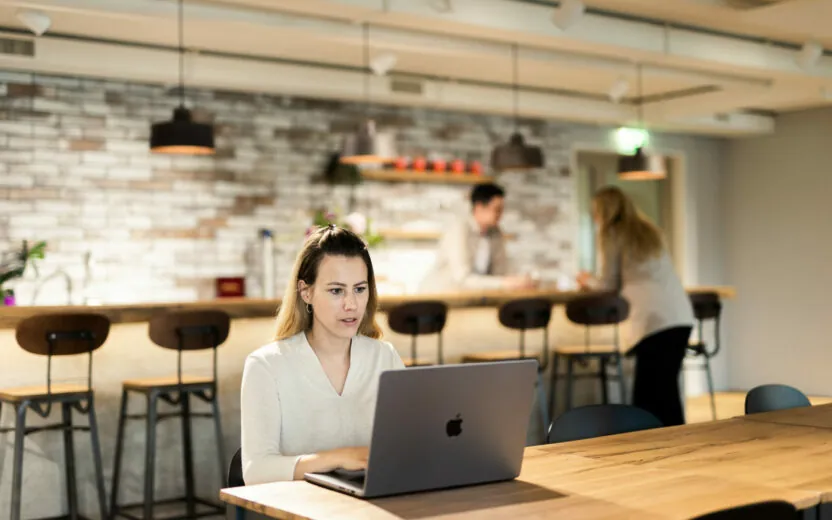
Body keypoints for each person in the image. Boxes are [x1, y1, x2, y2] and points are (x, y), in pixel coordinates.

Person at [241, 225, 404, 484]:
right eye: (337, 291)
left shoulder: (385, 357)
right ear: (306, 291)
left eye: (360, 289)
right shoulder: (266, 366)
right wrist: (337, 458)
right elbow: (255, 471)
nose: (351, 304)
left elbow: (408, 446)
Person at [576, 186, 694, 426]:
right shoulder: (649, 230)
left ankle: (648, 448)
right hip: (680, 316)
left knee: (648, 395)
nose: (595, 218)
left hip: (653, 321)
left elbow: (608, 284)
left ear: (604, 212)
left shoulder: (613, 234)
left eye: (596, 212)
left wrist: (585, 280)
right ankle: (677, 446)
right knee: (667, 391)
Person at [420, 182, 535, 292]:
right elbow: (462, 279)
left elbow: (500, 272)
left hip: (476, 298)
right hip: (442, 298)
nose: (500, 215)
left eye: (501, 210)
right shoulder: (459, 230)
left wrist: (517, 281)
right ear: (479, 207)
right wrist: (504, 283)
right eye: (497, 209)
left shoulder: (495, 233)